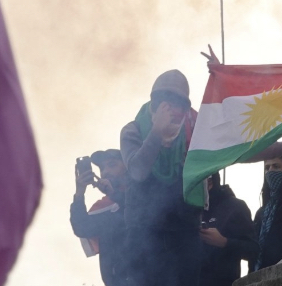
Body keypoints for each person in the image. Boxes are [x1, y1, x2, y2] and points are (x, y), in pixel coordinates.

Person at [120, 69, 201, 286]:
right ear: (154, 105)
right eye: (167, 103)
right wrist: (156, 133)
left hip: (184, 235)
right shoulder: (133, 130)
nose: (173, 110)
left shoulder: (192, 131)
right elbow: (137, 170)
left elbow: (229, 147)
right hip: (143, 237)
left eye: (179, 104)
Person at [70, 149, 132, 286]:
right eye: (102, 168)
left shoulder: (143, 194)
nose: (105, 172)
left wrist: (115, 194)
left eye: (112, 165)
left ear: (128, 167)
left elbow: (140, 215)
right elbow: (82, 228)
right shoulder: (103, 206)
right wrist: (79, 193)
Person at [199, 172, 258, 286]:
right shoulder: (188, 209)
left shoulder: (235, 207)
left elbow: (253, 250)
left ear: (210, 182)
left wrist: (224, 242)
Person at [252, 155, 282, 270]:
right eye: (267, 168)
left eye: (276, 166)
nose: (270, 171)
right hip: (259, 272)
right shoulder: (261, 213)